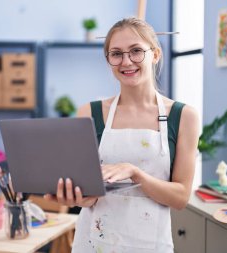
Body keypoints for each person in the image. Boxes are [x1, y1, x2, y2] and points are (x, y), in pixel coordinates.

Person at [44, 17, 200, 253]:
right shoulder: (90, 112)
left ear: (155, 54)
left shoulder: (183, 116)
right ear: (109, 60)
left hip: (150, 245)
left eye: (136, 51)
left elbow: (180, 198)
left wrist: (136, 174)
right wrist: (74, 197)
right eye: (116, 54)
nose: (126, 61)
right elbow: (90, 198)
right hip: (94, 243)